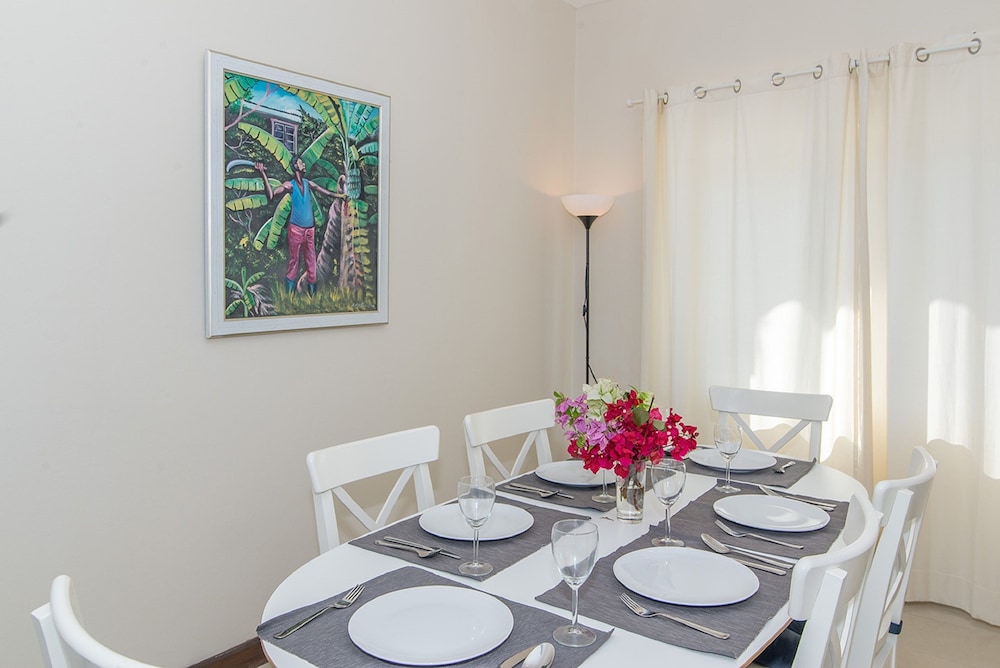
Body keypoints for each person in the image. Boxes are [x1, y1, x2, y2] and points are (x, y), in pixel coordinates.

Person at [256, 156, 336, 295]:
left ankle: (312, 295)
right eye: (300, 162)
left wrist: (340, 196)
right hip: (296, 230)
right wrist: (263, 173)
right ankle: (289, 295)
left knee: (311, 261)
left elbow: (326, 191)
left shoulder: (307, 183)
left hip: (309, 230)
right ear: (295, 167)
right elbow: (271, 195)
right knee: (294, 261)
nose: (303, 164)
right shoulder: (290, 185)